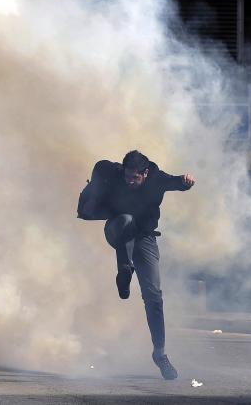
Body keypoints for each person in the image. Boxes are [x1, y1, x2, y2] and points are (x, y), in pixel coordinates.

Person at [79, 150, 195, 380]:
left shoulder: (156, 179)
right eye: (128, 177)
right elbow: (96, 180)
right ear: (123, 171)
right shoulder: (111, 173)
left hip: (144, 238)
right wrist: (90, 200)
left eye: (136, 178)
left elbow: (176, 182)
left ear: (146, 173)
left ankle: (160, 354)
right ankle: (124, 269)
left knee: (154, 295)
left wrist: (186, 182)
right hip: (117, 229)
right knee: (125, 220)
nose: (131, 182)